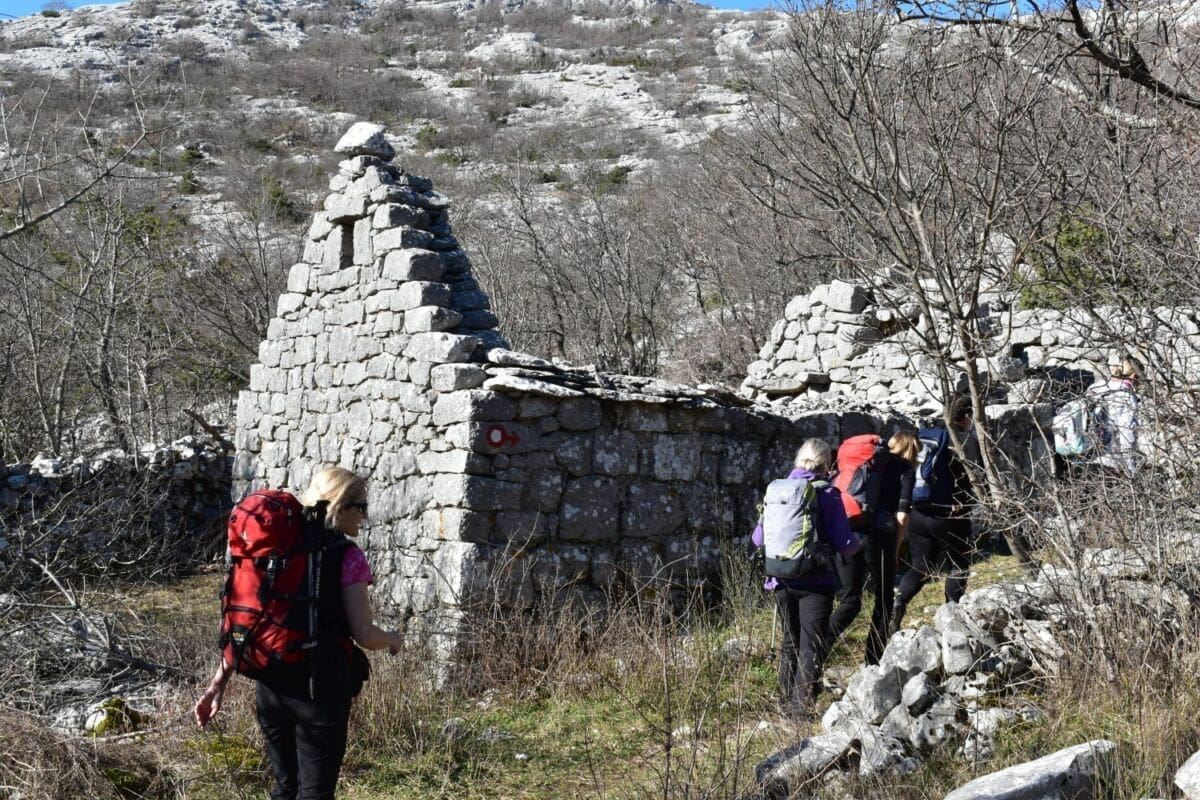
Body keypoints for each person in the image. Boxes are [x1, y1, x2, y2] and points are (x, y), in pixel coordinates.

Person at [195, 467, 403, 800]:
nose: (365, 516)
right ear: (340, 506)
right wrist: (393, 638)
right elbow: (364, 634)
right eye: (361, 507)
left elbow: (250, 621)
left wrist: (216, 685)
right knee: (314, 794)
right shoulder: (347, 555)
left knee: (285, 789)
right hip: (319, 692)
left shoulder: (277, 550)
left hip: (270, 689)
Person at [752, 439, 861, 718]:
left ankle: (784, 703)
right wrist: (858, 542)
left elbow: (757, 538)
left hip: (780, 579)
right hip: (816, 582)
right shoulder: (828, 494)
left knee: (790, 642)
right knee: (811, 645)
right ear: (827, 465)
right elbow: (846, 544)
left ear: (798, 460)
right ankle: (800, 712)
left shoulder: (778, 491)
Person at [828, 430, 917, 665]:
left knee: (850, 601)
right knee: (884, 598)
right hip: (879, 538)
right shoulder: (905, 470)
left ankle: (816, 650)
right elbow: (902, 515)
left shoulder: (862, 462)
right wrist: (895, 549)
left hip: (848, 531)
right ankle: (872, 660)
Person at [891, 399, 977, 631]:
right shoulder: (960, 439)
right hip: (950, 514)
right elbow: (973, 476)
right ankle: (952, 619)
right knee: (958, 565)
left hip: (918, 513)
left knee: (921, 566)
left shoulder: (926, 435)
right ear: (966, 417)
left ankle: (897, 606)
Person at [1090, 358, 1141, 477]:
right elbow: (1127, 436)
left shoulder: (1096, 387)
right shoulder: (1126, 395)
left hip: (1084, 457)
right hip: (1110, 464)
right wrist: (1132, 472)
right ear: (1134, 375)